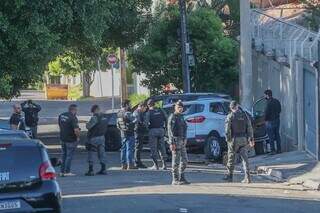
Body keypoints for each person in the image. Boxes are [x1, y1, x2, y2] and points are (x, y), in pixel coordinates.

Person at [223, 101, 255, 184]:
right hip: (244, 139)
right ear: (237, 106)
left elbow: (227, 130)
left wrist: (228, 139)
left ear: (231, 108)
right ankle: (247, 177)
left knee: (231, 158)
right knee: (245, 159)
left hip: (234, 140)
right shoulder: (244, 115)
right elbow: (249, 127)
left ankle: (229, 176)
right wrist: (251, 138)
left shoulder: (230, 116)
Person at [167, 100, 189, 185]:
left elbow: (185, 128)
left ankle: (181, 177)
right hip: (175, 141)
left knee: (185, 160)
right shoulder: (173, 117)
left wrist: (185, 138)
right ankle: (175, 179)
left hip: (182, 140)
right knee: (175, 161)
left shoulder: (181, 116)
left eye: (181, 107)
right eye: (178, 107)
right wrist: (171, 143)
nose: (180, 109)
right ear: (175, 108)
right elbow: (169, 131)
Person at [144, 99, 168, 170]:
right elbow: (166, 119)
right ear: (154, 104)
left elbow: (146, 123)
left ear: (148, 105)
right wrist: (165, 129)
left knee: (153, 148)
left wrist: (148, 129)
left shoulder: (148, 113)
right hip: (161, 130)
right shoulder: (161, 110)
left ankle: (156, 165)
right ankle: (164, 165)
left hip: (153, 130)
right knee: (162, 148)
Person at [85, 105, 108, 176]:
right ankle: (103, 169)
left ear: (94, 110)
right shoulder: (104, 118)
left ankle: (91, 170)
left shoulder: (94, 118)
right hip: (102, 137)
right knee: (102, 153)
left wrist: (87, 124)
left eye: (92, 112)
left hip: (94, 138)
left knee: (91, 153)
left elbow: (88, 126)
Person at [58, 104, 81, 177]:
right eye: (76, 110)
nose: (77, 112)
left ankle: (62, 171)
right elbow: (76, 130)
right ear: (73, 110)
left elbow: (60, 125)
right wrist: (77, 137)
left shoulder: (61, 115)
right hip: (70, 139)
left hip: (62, 138)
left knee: (63, 155)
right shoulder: (73, 118)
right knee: (69, 156)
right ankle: (67, 171)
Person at [117, 100, 137, 170]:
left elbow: (117, 124)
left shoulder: (119, 113)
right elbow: (135, 120)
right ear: (126, 105)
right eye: (129, 104)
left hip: (122, 133)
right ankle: (130, 164)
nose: (130, 105)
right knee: (129, 149)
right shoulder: (127, 113)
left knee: (123, 149)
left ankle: (123, 165)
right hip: (129, 133)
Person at [264, 89, 282, 154]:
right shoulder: (276, 101)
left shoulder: (268, 103)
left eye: (265, 95)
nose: (264, 97)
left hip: (270, 121)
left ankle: (273, 150)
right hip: (277, 120)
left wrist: (265, 120)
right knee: (277, 135)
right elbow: (280, 110)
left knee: (271, 136)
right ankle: (279, 149)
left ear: (267, 95)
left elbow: (266, 113)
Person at [133, 102, 148, 168]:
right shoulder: (137, 112)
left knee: (139, 147)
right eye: (145, 108)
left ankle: (138, 161)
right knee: (138, 147)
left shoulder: (139, 112)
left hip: (139, 131)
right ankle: (137, 162)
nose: (145, 109)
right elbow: (138, 122)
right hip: (138, 131)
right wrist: (144, 125)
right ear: (142, 106)